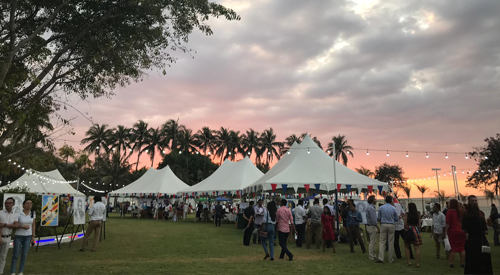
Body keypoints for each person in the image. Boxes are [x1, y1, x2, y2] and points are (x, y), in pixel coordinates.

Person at [462, 195, 493, 274]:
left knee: (472, 261)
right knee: (482, 260)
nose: (475, 202)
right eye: (473, 201)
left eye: (476, 201)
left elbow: (464, 229)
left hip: (472, 240)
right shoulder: (479, 214)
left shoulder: (466, 214)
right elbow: (486, 231)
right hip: (478, 240)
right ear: (469, 202)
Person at [10, 199, 36, 275]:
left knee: (24, 254)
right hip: (19, 236)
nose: (29, 205)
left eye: (30, 203)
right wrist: (22, 226)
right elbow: (14, 225)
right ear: (23, 205)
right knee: (15, 254)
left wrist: (33, 236)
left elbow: (33, 225)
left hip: (28, 236)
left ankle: (21, 271)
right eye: (27, 203)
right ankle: (13, 271)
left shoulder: (33, 213)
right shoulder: (18, 213)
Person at [376, 196, 399, 263]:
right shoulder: (393, 208)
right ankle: (390, 258)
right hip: (391, 224)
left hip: (383, 224)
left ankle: (381, 257)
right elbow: (396, 218)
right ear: (391, 200)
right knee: (391, 242)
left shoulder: (381, 207)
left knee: (382, 241)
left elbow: (379, 217)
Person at [444, 199, 465, 268]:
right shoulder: (460, 212)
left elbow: (448, 223)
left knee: (453, 249)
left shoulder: (449, 212)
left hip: (453, 232)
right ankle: (462, 263)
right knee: (462, 249)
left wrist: (445, 231)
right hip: (461, 232)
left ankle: (451, 263)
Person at [0, 198, 19, 274]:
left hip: (8, 238)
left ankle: (0, 272)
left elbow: (16, 225)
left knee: (3, 257)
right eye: (6, 203)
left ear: (13, 204)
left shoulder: (15, 215)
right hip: (1, 236)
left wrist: (4, 224)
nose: (7, 204)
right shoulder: (0, 213)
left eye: (10, 203)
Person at [403, 203, 422, 267]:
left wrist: (405, 229)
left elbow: (405, 223)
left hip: (409, 229)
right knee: (417, 247)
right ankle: (418, 263)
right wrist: (419, 231)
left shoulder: (407, 214)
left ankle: (409, 262)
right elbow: (419, 224)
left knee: (407, 246)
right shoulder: (418, 214)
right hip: (416, 229)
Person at [365, 195, 379, 260]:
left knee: (372, 241)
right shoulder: (371, 208)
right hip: (372, 226)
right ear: (373, 200)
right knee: (372, 242)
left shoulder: (369, 207)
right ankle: (371, 255)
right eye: (375, 199)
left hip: (369, 225)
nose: (376, 200)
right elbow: (373, 219)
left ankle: (373, 254)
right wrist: (377, 227)